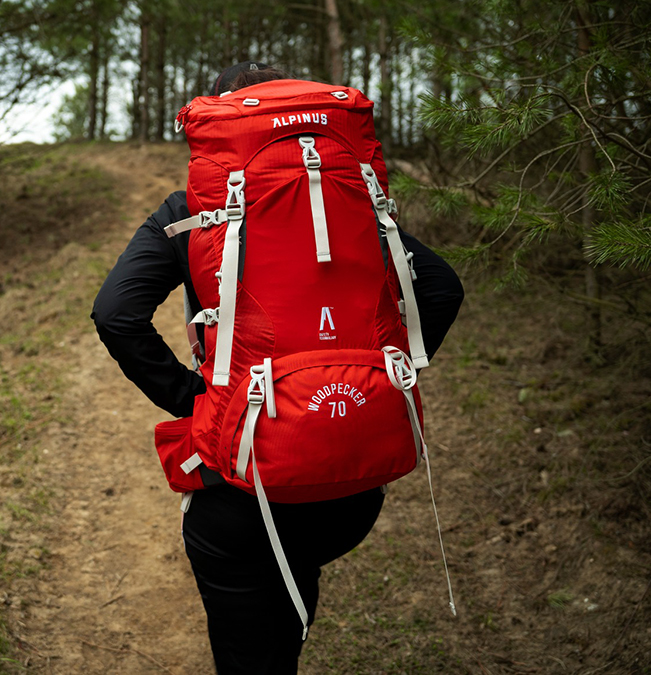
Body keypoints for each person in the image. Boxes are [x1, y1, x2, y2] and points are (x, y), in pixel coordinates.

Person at [91, 62, 464, 674]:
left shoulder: (196, 211)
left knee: (247, 645)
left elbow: (116, 314)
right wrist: (380, 379)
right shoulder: (358, 207)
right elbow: (442, 289)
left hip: (243, 484)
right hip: (351, 482)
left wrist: (196, 399)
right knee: (293, 584)